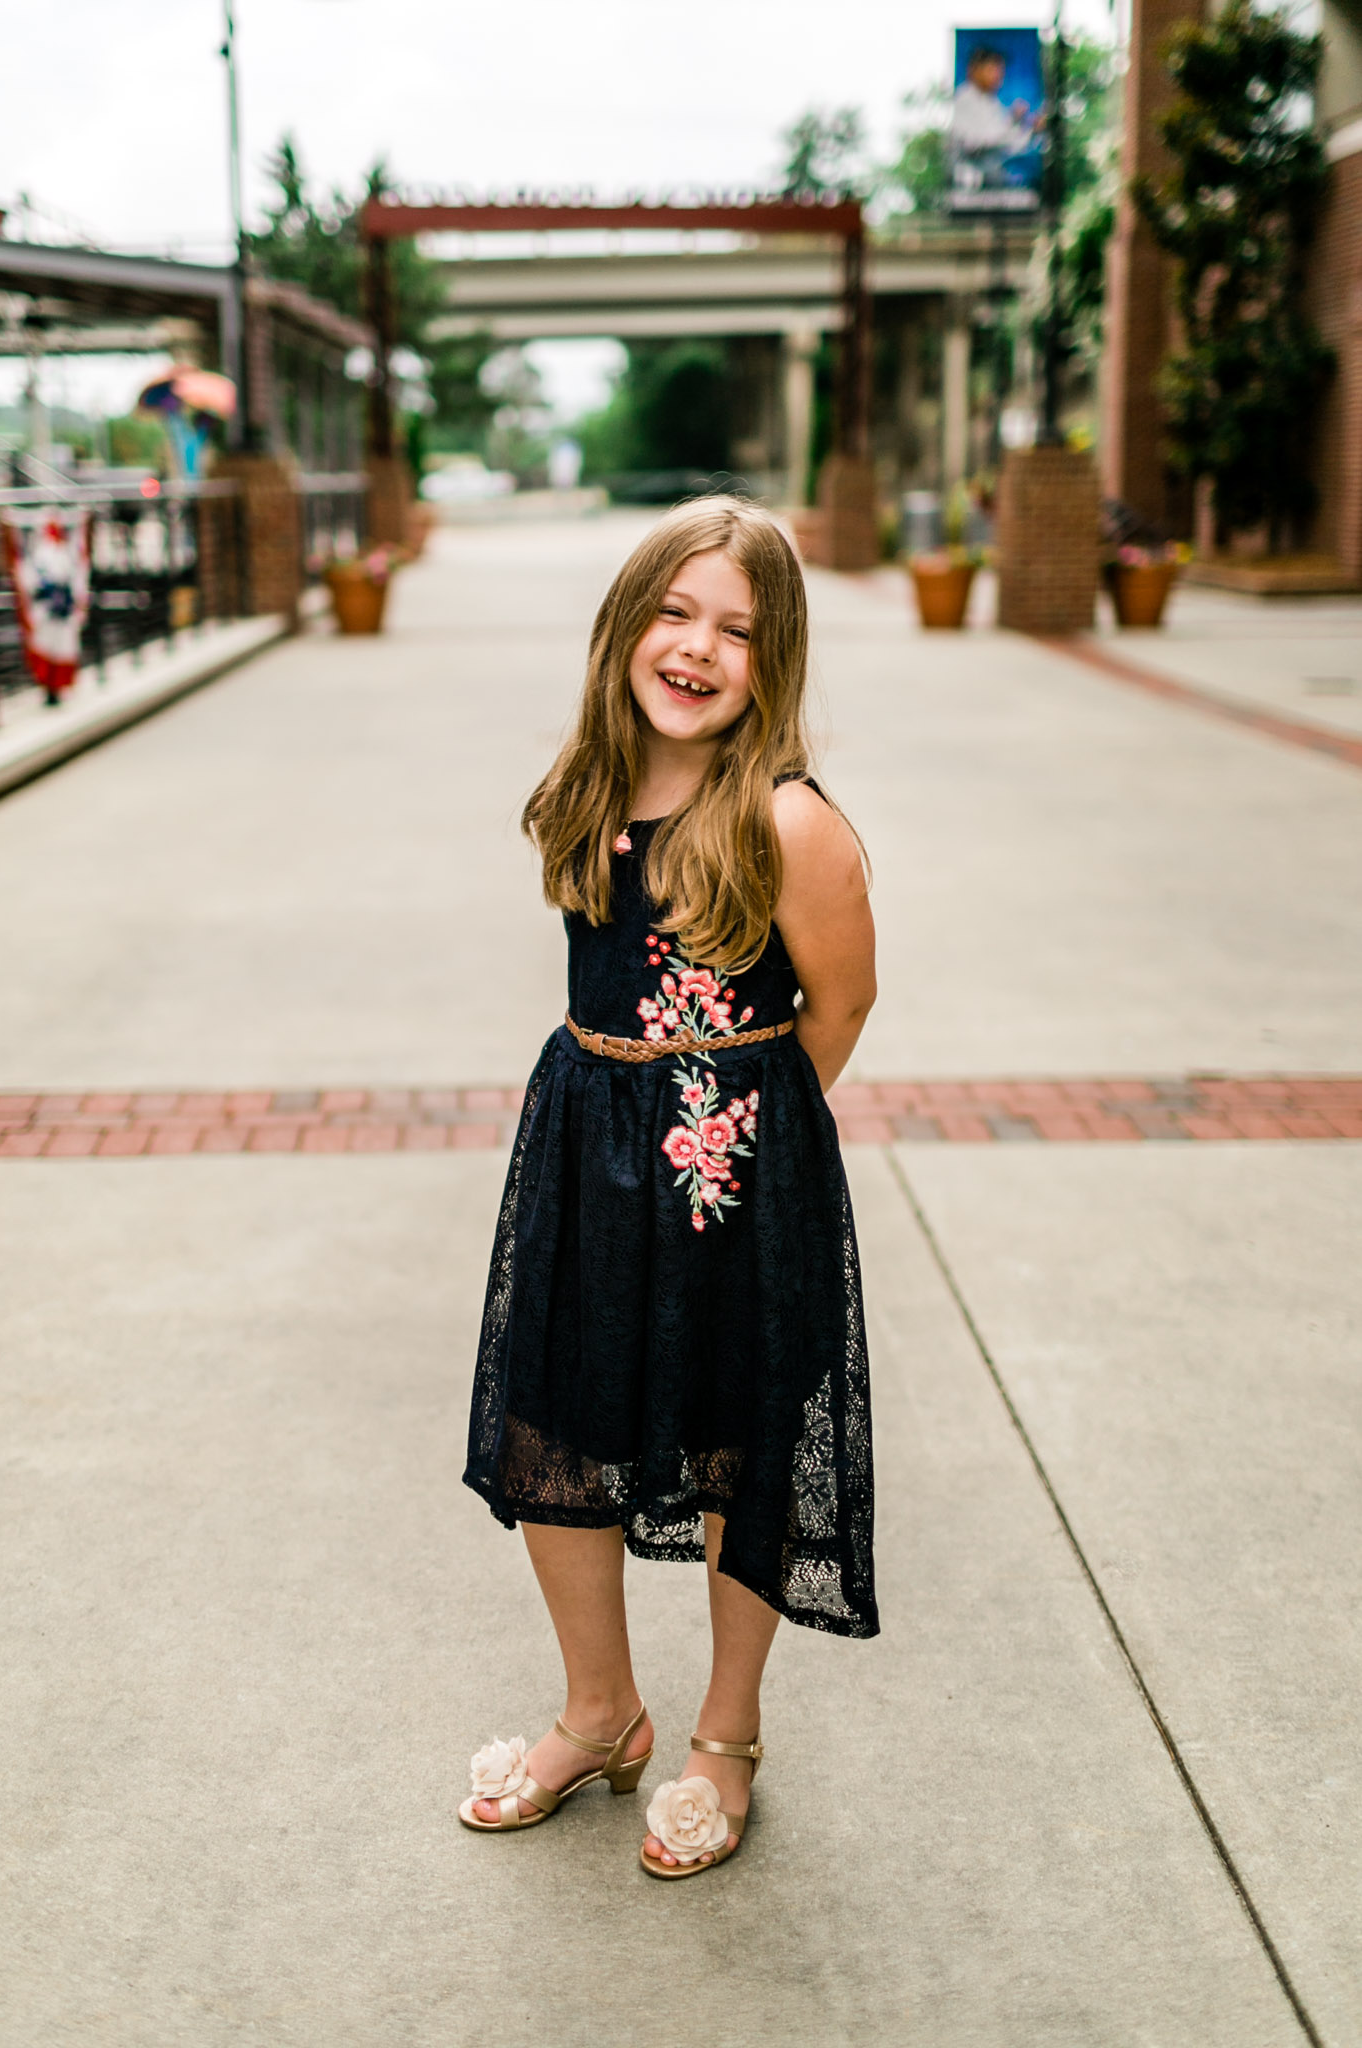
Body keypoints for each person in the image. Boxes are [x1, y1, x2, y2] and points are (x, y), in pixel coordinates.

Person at [459, 496, 879, 1879]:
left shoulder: (786, 821)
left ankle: (725, 1734)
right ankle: (600, 1713)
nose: (696, 648)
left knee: (729, 1447)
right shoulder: (586, 793)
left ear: (776, 663)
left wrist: (728, 1126)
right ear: (626, 629)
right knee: (555, 1432)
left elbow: (841, 1003)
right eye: (675, 612)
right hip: (586, 1150)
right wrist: (622, 1108)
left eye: (737, 632)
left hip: (729, 1175)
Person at [950, 44, 1042, 193]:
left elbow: (1010, 146)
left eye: (1000, 70)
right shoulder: (964, 99)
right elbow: (975, 143)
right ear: (974, 70)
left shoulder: (992, 103)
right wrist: (1012, 123)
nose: (999, 75)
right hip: (968, 188)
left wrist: (1031, 130)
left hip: (991, 185)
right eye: (993, 69)